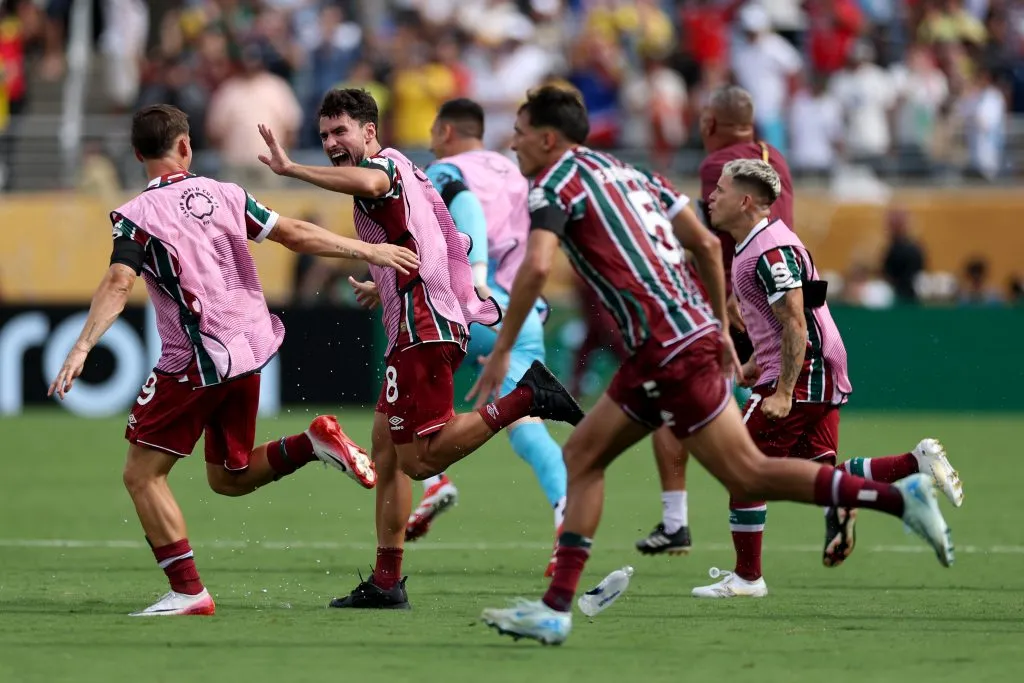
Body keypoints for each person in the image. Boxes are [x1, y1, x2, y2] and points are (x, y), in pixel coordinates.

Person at [474, 86, 954, 646]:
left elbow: (534, 270)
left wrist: (504, 348)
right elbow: (703, 243)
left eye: (521, 130)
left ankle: (898, 497)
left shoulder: (552, 185)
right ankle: (556, 609)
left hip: (665, 347)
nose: (513, 140)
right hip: (676, 340)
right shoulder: (631, 173)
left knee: (745, 474)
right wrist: (720, 329)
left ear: (549, 138)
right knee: (582, 455)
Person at [47, 104, 420, 617]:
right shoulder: (226, 194)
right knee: (228, 476)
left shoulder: (135, 217)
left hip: (197, 359)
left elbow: (118, 281)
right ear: (186, 146)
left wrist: (83, 345)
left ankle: (188, 591)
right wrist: (369, 251)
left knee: (142, 474)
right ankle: (311, 442)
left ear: (138, 155)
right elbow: (293, 232)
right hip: (252, 349)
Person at [256, 88, 583, 610]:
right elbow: (428, 234)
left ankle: (527, 397)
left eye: (340, 132)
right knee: (386, 453)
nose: (332, 143)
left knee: (420, 459)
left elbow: (372, 183)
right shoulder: (410, 167)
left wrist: (293, 169)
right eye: (324, 136)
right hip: (420, 316)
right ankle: (388, 581)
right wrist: (380, 281)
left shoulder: (382, 167)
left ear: (369, 131)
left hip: (424, 325)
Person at [691, 158, 964, 599]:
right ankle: (917, 463)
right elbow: (789, 320)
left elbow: (797, 323)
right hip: (812, 366)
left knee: (741, 468)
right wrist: (758, 364)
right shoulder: (765, 241)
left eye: (720, 190)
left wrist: (781, 390)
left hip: (803, 374)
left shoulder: (768, 250)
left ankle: (747, 577)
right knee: (822, 478)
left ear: (744, 201)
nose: (711, 196)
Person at [393, 98, 568, 577]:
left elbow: (464, 206)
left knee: (399, 389)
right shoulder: (518, 172)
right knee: (526, 421)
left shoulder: (443, 169)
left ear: (446, 131)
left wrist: (477, 274)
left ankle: (435, 481)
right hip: (521, 311)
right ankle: (565, 511)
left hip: (469, 306)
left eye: (432, 128)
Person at [636, 85, 795, 557]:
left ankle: (675, 523)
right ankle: (846, 490)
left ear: (711, 124)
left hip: (734, 305)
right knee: (793, 422)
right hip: (777, 299)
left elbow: (717, 238)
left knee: (673, 400)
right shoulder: (776, 159)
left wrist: (726, 298)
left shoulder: (718, 167)